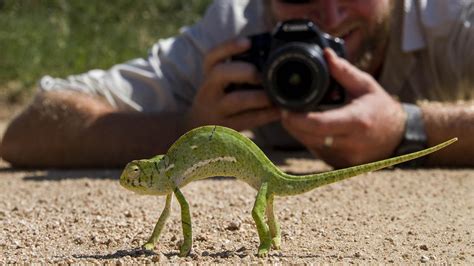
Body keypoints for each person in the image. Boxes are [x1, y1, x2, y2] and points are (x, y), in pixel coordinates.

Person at [1, 0, 473, 168]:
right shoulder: (234, 28)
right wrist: (188, 127)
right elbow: (27, 130)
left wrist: (407, 128)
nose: (330, 18)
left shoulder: (448, 17)